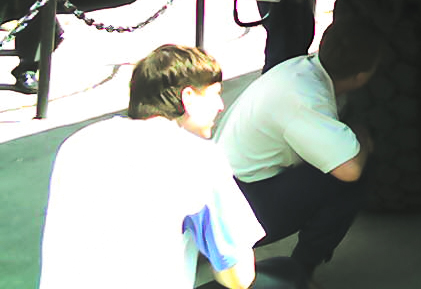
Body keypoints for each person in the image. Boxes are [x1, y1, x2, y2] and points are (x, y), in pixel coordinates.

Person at [39, 44, 267, 289]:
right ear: (188, 97)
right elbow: (237, 277)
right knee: (281, 274)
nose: (220, 105)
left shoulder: (77, 143)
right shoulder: (198, 157)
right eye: (215, 93)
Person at [216, 18, 383, 282]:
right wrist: (361, 135)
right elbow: (350, 170)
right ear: (362, 76)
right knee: (354, 171)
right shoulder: (304, 98)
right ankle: (300, 271)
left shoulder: (299, 70)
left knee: (341, 153)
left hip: (227, 188)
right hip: (234, 207)